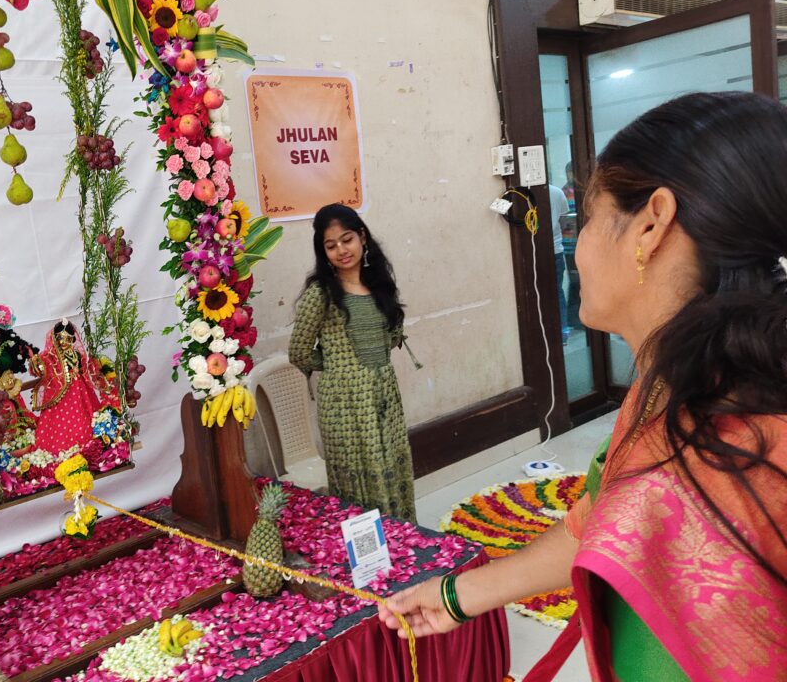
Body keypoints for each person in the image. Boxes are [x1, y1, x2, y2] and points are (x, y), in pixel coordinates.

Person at [379, 92, 787, 681]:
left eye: (588, 219)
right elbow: (607, 521)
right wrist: (459, 596)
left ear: (650, 225)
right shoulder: (668, 391)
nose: (580, 246)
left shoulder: (730, 452)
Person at [288, 203, 416, 522]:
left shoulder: (379, 284)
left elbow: (391, 334)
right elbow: (299, 352)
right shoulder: (321, 295)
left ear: (362, 237)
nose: (341, 250)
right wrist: (334, 363)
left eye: (347, 240)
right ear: (323, 252)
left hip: (384, 394)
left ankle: (401, 540)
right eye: (331, 246)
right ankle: (367, 557)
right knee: (358, 483)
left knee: (391, 468)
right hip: (345, 403)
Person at [29, 320, 108, 454]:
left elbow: (86, 368)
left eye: (67, 339)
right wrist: (36, 362)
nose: (63, 342)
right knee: (59, 422)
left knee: (84, 417)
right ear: (54, 338)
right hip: (59, 392)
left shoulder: (77, 354)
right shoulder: (50, 356)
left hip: (80, 391)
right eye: (60, 338)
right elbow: (41, 368)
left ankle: (86, 444)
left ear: (72, 340)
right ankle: (61, 448)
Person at [548, 183, 570, 341]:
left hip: (538, 251)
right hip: (556, 249)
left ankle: (547, 331)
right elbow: (564, 223)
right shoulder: (557, 193)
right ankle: (563, 332)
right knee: (558, 292)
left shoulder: (528, 193)